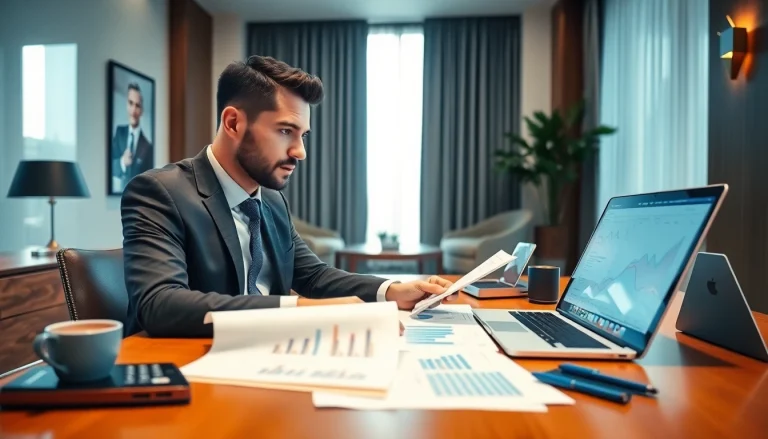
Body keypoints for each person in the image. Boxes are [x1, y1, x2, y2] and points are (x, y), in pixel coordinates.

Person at [121, 55, 455, 338]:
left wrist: (391, 291)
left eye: (303, 135)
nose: (300, 152)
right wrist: (303, 311)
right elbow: (160, 305)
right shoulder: (159, 193)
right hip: (189, 368)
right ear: (234, 123)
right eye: (285, 132)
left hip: (273, 355)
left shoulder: (271, 200)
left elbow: (312, 275)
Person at [111, 82, 154, 192]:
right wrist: (122, 162)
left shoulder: (147, 146)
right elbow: (110, 166)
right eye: (131, 103)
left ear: (142, 111)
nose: (133, 110)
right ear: (127, 105)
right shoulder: (119, 132)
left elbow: (148, 182)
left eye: (137, 105)